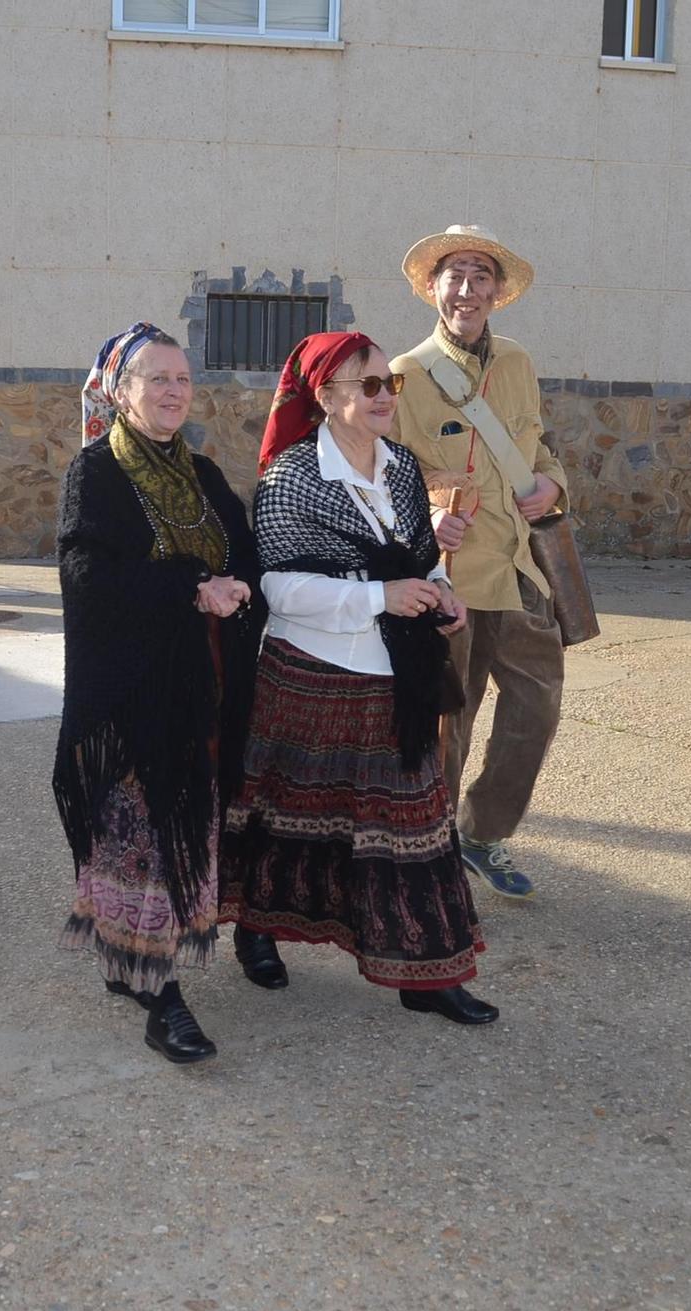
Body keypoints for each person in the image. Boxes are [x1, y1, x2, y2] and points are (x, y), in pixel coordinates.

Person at [220, 331, 497, 1025]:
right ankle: (257, 930)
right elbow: (278, 588)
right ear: (324, 396)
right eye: (367, 385)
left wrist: (440, 591)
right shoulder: (290, 476)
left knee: (415, 828)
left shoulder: (401, 466)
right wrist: (381, 598)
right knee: (285, 817)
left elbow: (416, 555)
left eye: (388, 384)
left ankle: (424, 973)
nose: (383, 397)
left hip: (397, 680)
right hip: (310, 678)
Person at [53, 322, 265, 1065]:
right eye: (157, 379)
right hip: (137, 690)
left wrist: (237, 583)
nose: (174, 391)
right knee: (145, 829)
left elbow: (241, 544)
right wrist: (188, 587)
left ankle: (128, 957)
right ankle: (159, 993)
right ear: (121, 391)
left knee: (179, 822)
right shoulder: (97, 473)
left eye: (182, 379)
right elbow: (86, 578)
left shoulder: (201, 474)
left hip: (201, 685)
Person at [389, 225, 563, 902]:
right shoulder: (403, 374)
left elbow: (538, 447)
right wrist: (429, 511)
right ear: (432, 287)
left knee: (536, 709)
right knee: (447, 724)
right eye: (454, 275)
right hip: (451, 577)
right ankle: (430, 849)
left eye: (479, 276)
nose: (466, 289)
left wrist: (554, 484)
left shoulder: (517, 362)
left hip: (520, 569)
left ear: (496, 291)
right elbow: (390, 471)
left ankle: (482, 833)